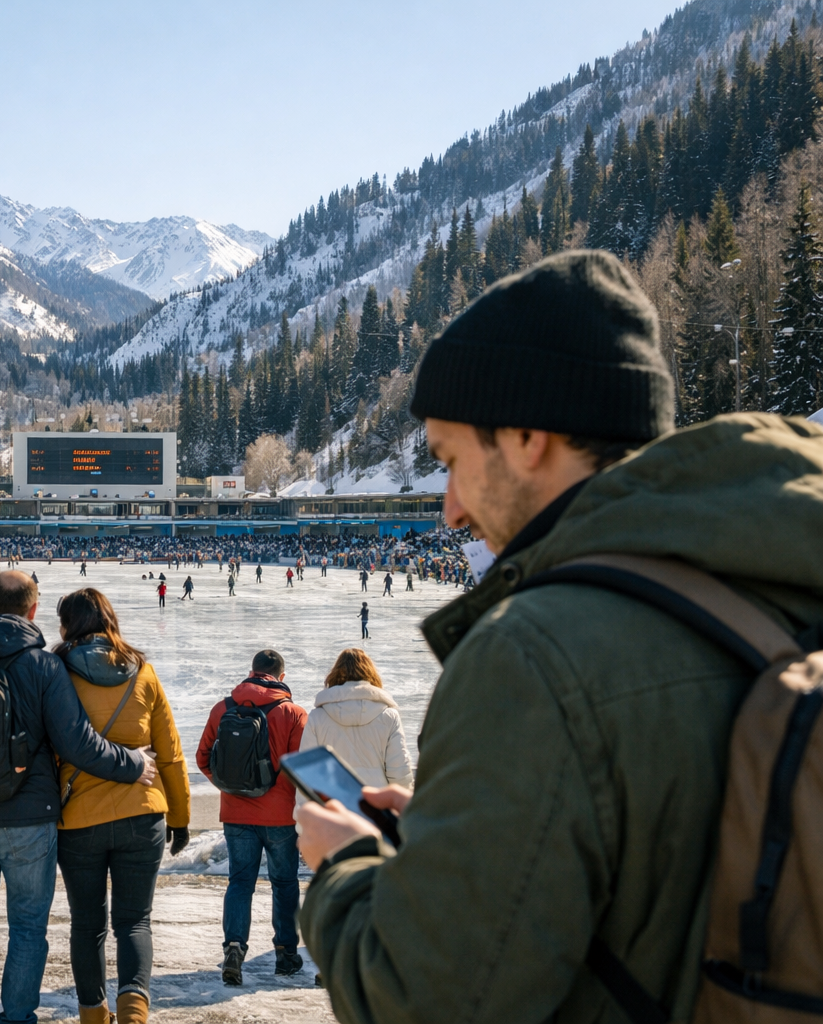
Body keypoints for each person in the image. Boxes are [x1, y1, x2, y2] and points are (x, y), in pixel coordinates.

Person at [290, 249, 823, 1023]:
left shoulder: (534, 656)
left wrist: (346, 866)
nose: (450, 510)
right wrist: (482, 822)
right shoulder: (777, 576)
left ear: (527, 435)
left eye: (451, 461)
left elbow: (420, 1001)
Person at [0, 571, 157, 1024]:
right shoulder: (44, 666)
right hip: (29, 819)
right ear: (34, 611)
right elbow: (78, 744)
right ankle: (17, 1015)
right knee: (27, 925)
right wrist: (134, 764)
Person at [54, 589, 191, 1024]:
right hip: (142, 812)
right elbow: (169, 752)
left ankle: (93, 1015)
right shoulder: (143, 671)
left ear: (67, 625)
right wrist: (181, 817)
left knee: (87, 924)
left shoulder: (57, 672)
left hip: (78, 817)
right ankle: (134, 1013)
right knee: (134, 922)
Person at [196, 648, 308, 984]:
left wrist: (231, 789)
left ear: (252, 671)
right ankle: (286, 954)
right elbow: (300, 768)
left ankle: (233, 949)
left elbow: (203, 758)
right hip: (280, 818)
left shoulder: (223, 708)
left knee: (240, 882)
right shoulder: (293, 713)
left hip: (236, 815)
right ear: (281, 677)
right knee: (285, 883)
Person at [299, 648, 413, 788]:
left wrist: (304, 807)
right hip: (376, 803)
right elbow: (399, 770)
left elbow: (309, 772)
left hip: (334, 804)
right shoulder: (388, 716)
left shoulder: (317, 717)